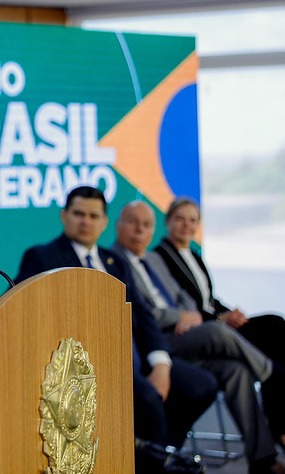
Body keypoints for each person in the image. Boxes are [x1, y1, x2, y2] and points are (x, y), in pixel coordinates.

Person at [15, 186, 217, 456]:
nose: (85, 221)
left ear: (104, 222)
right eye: (78, 214)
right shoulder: (42, 256)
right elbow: (23, 310)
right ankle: (153, 457)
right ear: (64, 216)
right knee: (148, 401)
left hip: (135, 356)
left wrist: (161, 363)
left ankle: (160, 452)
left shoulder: (114, 261)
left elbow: (143, 315)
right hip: (90, 363)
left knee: (202, 386)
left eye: (93, 216)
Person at [113, 200, 285, 474]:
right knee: (218, 330)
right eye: (133, 223)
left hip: (186, 332)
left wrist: (189, 316)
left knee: (237, 370)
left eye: (146, 225)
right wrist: (180, 317)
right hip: (161, 340)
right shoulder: (115, 261)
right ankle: (272, 375)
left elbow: (185, 298)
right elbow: (138, 312)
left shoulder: (151, 261)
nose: (139, 230)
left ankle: (263, 458)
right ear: (117, 224)